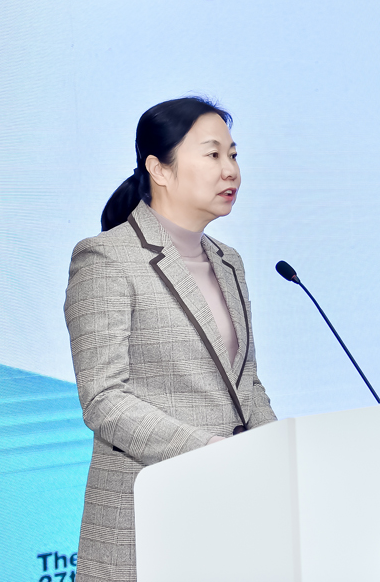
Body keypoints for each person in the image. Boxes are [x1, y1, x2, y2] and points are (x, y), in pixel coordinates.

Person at [63, 97, 276, 582]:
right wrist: (209, 452)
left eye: (233, 155)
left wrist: (278, 457)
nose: (231, 170)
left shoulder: (229, 261)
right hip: (148, 514)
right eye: (213, 154)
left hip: (231, 514)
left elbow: (246, 384)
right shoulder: (106, 259)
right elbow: (104, 398)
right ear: (159, 169)